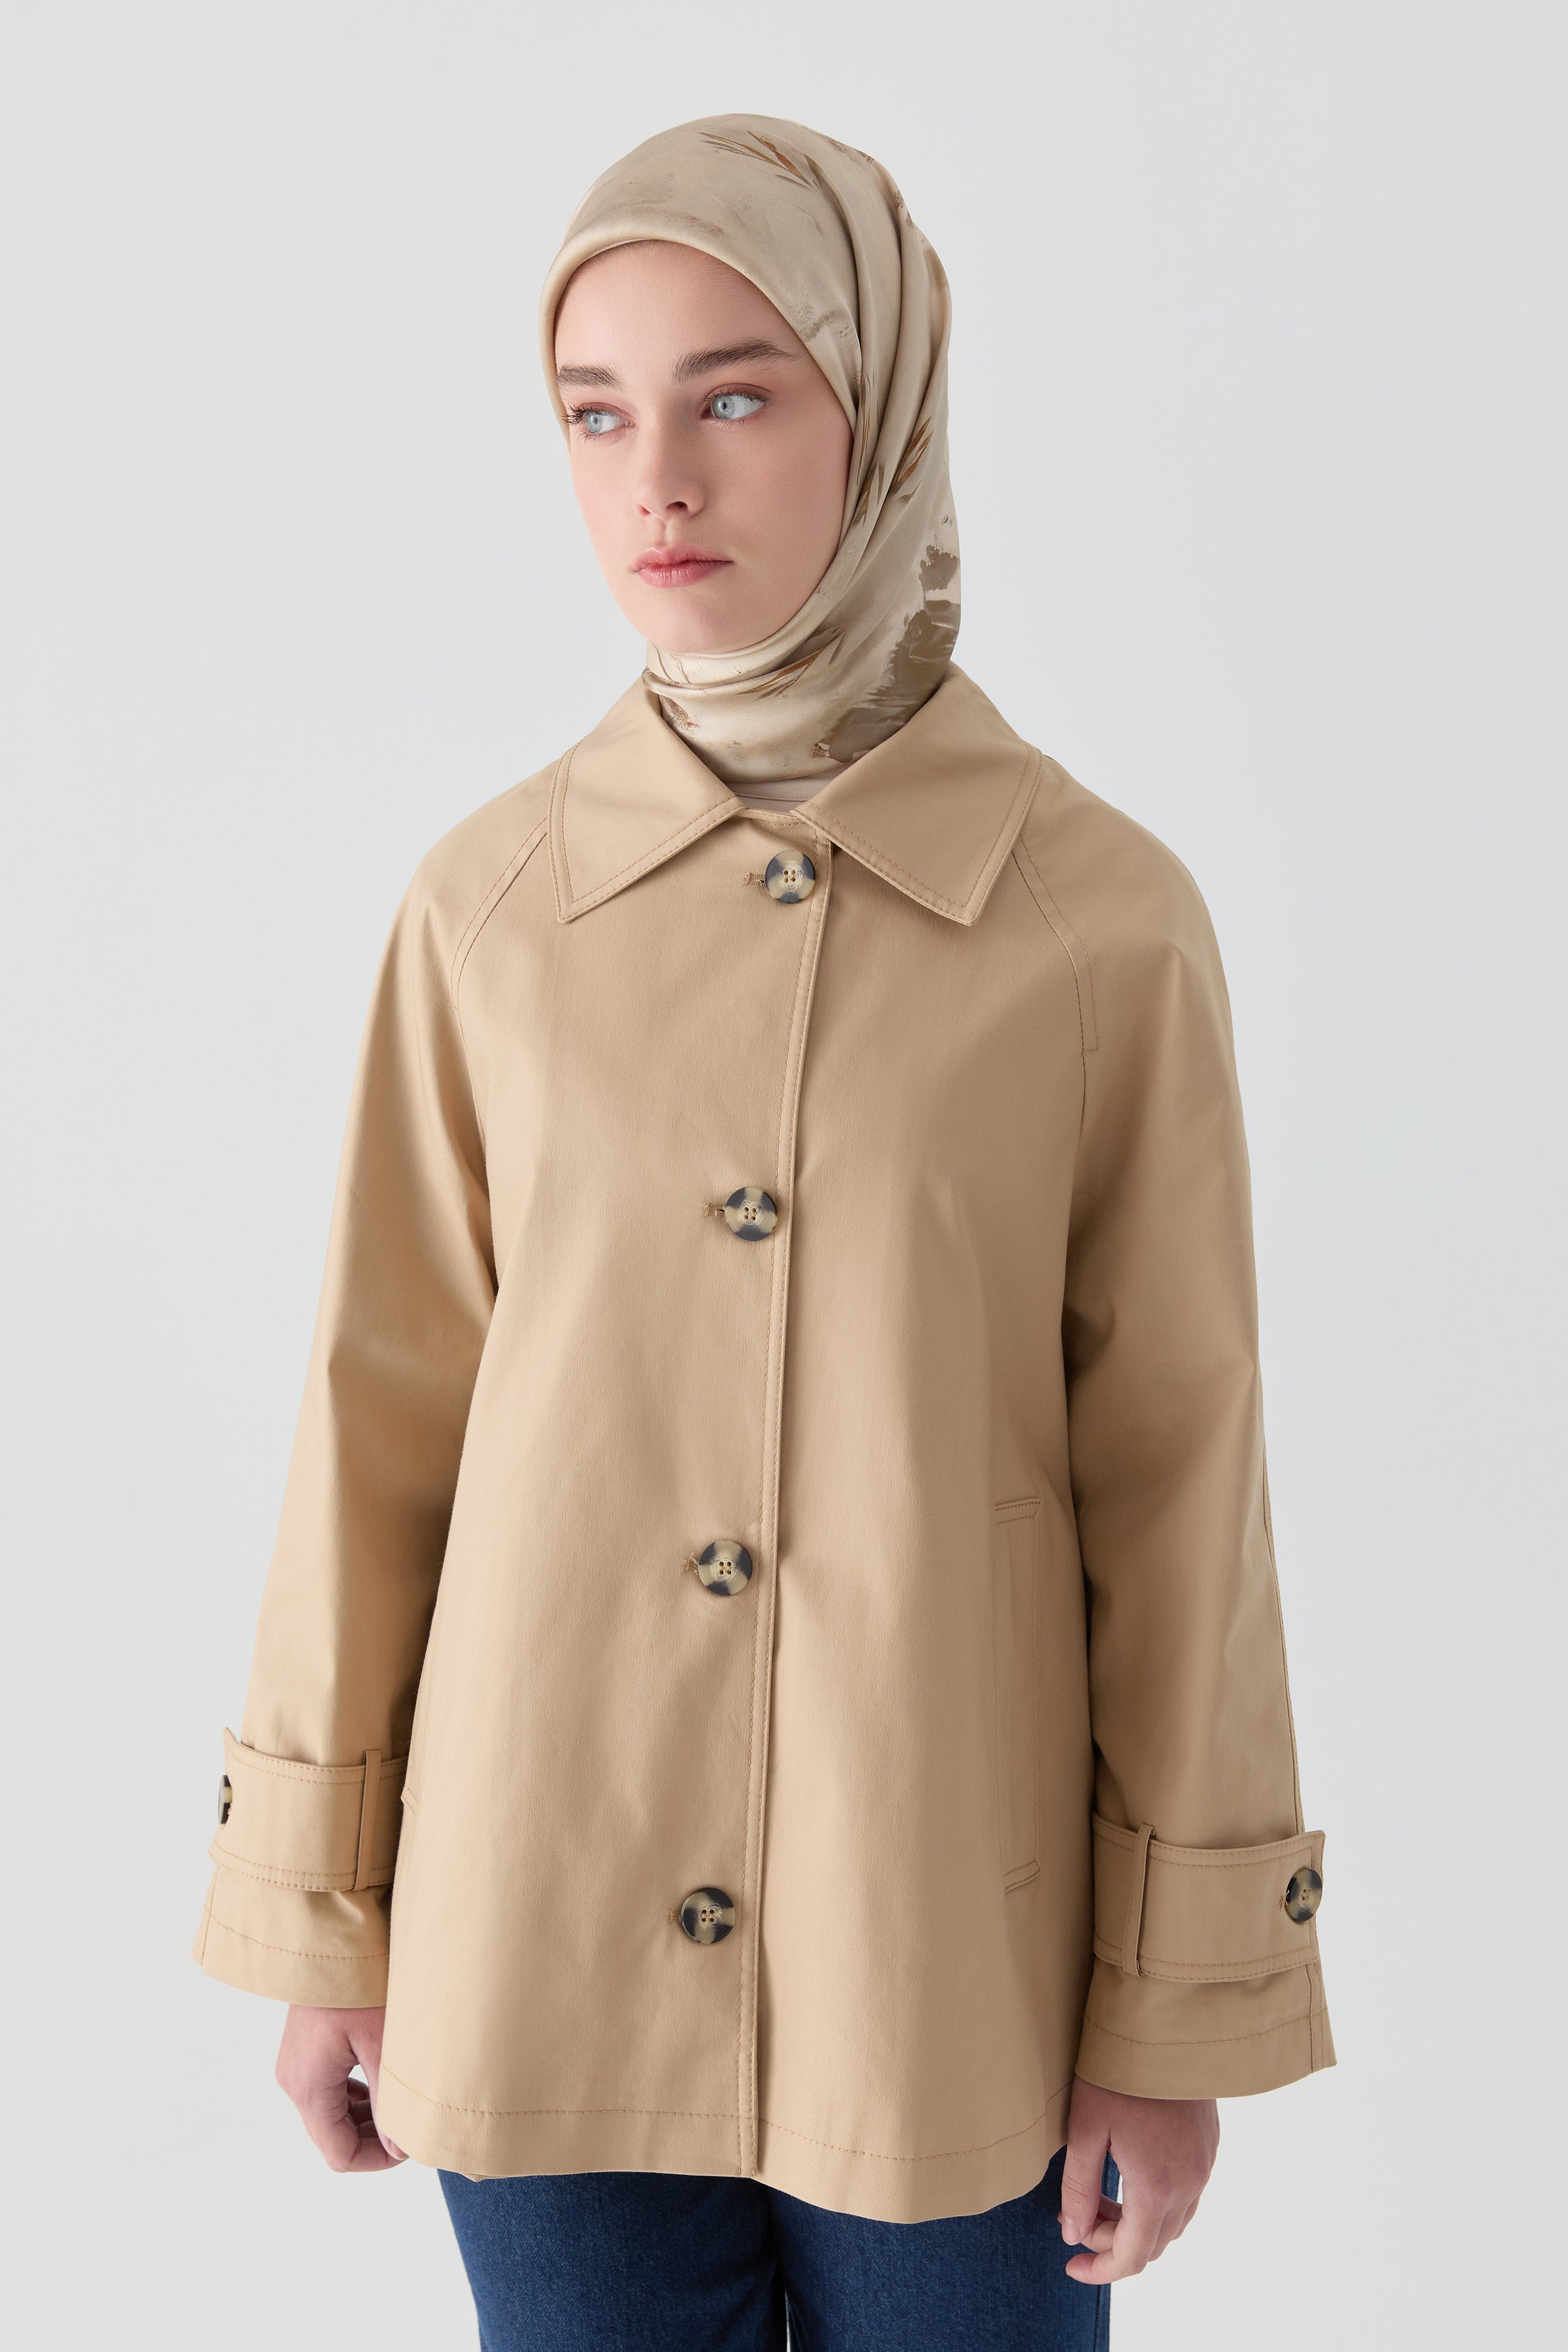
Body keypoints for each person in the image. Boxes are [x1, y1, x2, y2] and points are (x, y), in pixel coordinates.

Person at [193, 114, 1333, 2350]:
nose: (659, 483)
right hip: (534, 1915)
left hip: (955, 1955)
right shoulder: (491, 909)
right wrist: (324, 1914)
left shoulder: (1100, 925)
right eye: (596, 413)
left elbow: (1182, 1484)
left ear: (878, 407)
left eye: (734, 393)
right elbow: (374, 1430)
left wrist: (1175, 2002)